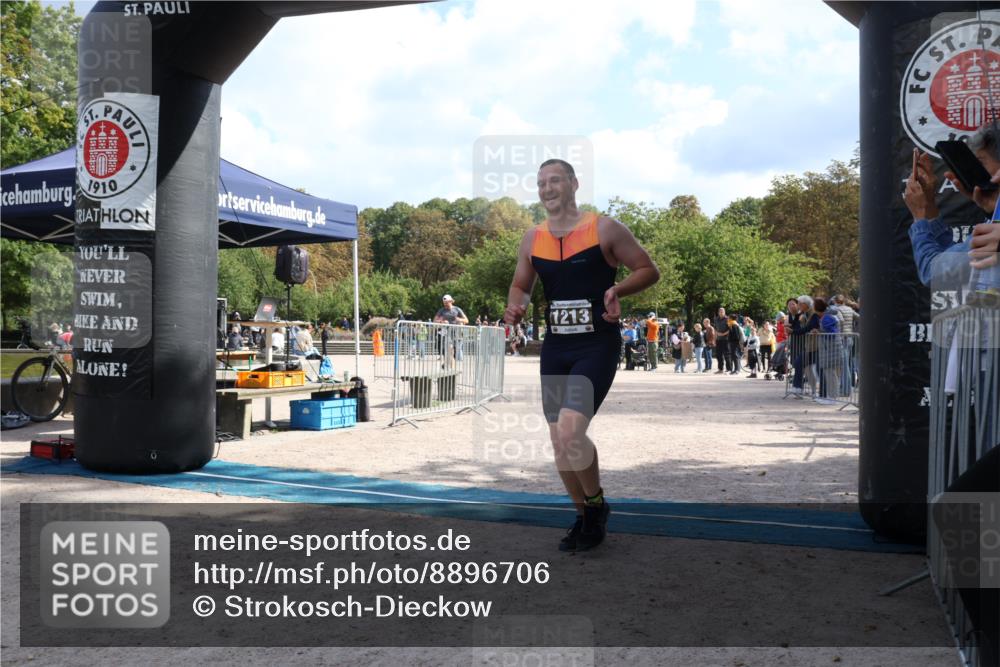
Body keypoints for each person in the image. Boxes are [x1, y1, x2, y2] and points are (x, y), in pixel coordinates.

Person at [505, 158, 659, 552]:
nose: (546, 188)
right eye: (540, 183)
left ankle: (596, 506)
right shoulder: (532, 238)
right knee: (559, 440)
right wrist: (516, 306)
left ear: (574, 183)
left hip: (596, 344)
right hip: (557, 347)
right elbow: (521, 285)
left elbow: (647, 269)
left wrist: (617, 290)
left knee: (572, 430)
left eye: (555, 180)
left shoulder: (604, 228)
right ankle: (585, 517)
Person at [904, 121, 1000, 295]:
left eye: (981, 162)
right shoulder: (994, 223)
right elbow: (954, 260)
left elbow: (934, 273)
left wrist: (919, 217)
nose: (975, 172)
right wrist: (929, 205)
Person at [714, 309, 731, 374]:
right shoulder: (716, 319)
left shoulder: (728, 319)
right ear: (718, 312)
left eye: (722, 312)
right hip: (718, 339)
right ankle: (720, 369)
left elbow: (730, 329)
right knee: (718, 355)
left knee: (727, 354)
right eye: (720, 312)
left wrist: (723, 334)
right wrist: (715, 338)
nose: (721, 313)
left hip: (726, 339)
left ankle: (729, 369)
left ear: (724, 312)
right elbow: (715, 329)